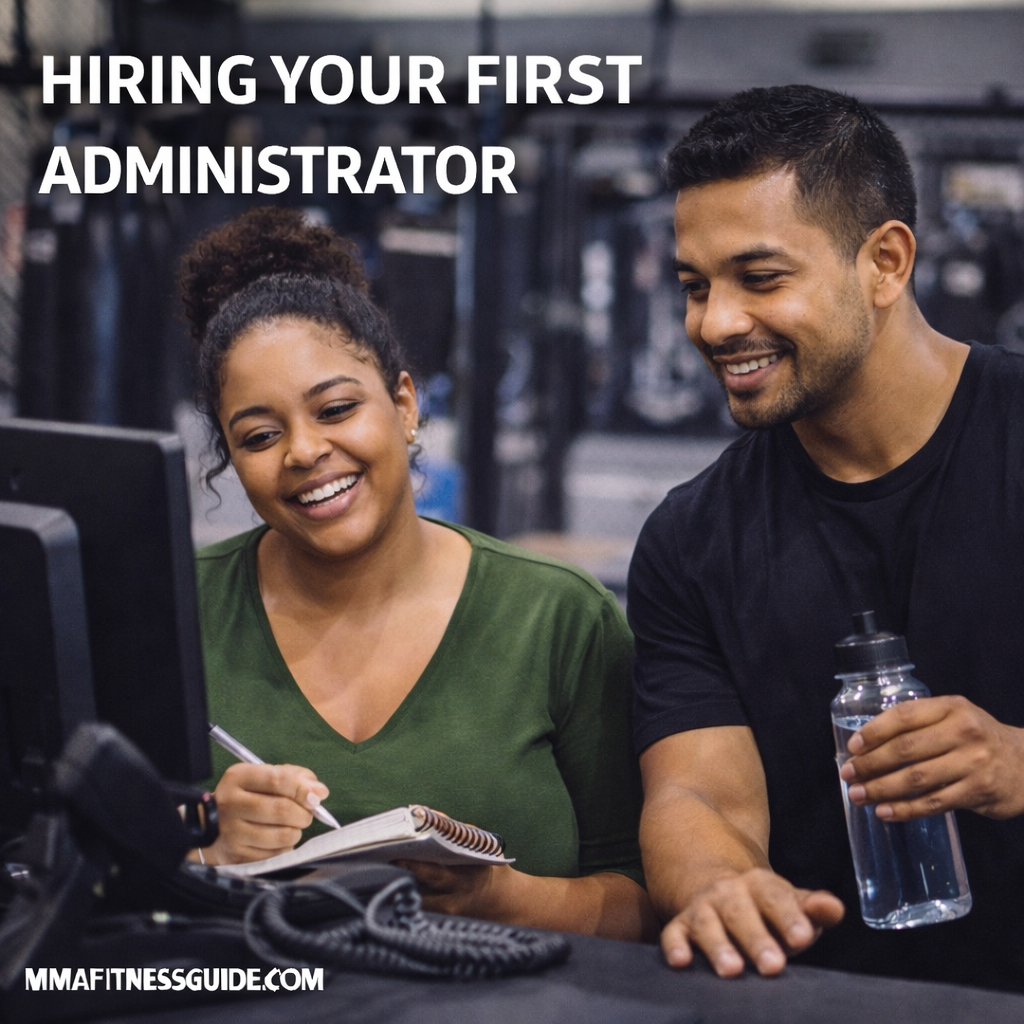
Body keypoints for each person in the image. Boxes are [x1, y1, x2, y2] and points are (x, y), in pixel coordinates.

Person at [629, 84, 1024, 992]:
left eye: (761, 278)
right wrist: (721, 887)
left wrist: (1014, 762)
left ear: (884, 263)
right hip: (827, 1000)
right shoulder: (691, 541)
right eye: (696, 286)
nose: (716, 323)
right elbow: (697, 794)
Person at [182, 206, 656, 941]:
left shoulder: (560, 618)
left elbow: (649, 898)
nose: (304, 452)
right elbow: (83, 879)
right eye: (260, 435)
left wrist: (501, 900)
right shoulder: (175, 608)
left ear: (404, 404)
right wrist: (204, 850)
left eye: (336, 408)